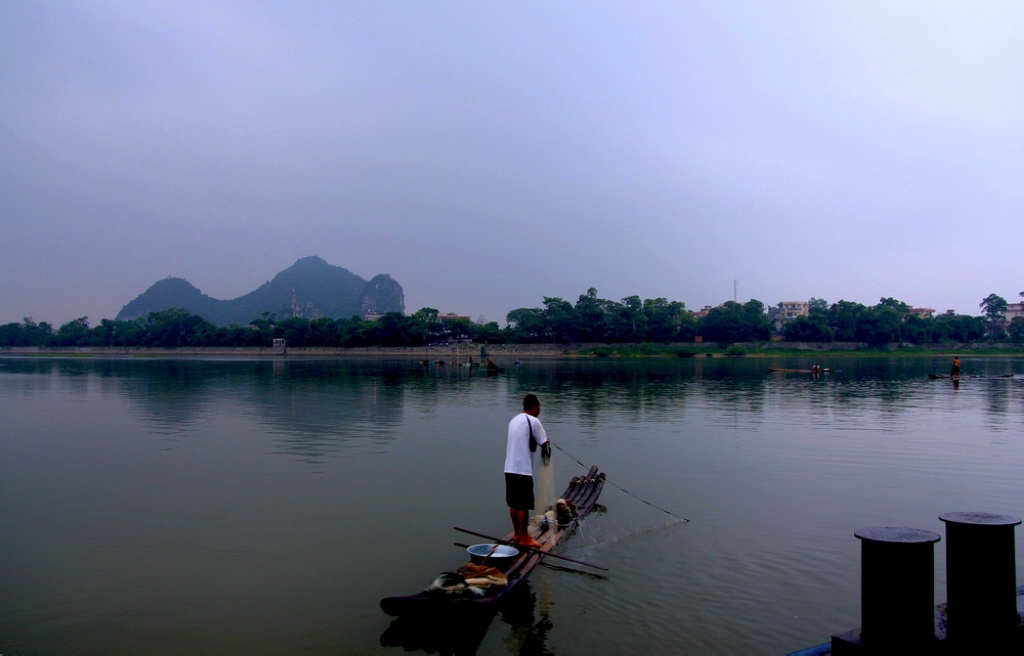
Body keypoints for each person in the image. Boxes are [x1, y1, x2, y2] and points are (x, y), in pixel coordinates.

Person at [504, 394, 550, 548]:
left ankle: (517, 533)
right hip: (523, 469)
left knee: (513, 504)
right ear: (534, 407)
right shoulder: (534, 421)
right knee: (523, 505)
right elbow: (544, 442)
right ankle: (524, 537)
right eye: (539, 407)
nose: (540, 410)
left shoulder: (513, 421)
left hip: (509, 468)